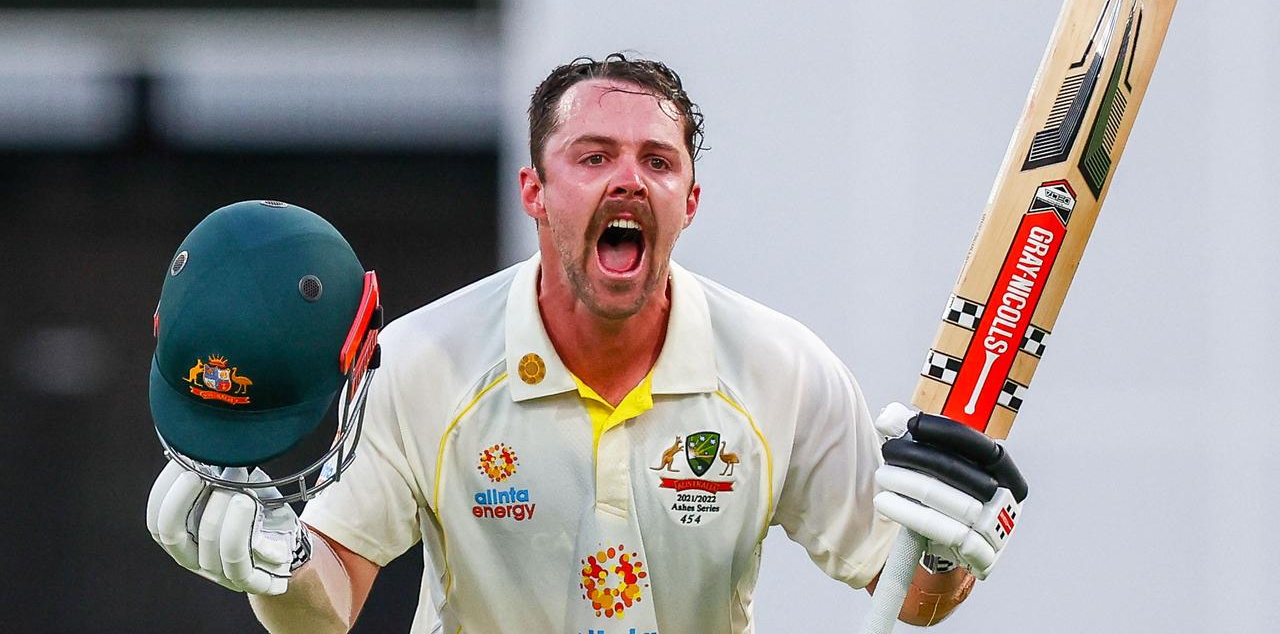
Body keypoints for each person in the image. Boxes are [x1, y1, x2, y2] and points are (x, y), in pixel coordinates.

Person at [148, 54, 1028, 633]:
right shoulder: (423, 361)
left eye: (657, 160)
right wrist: (277, 572)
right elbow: (329, 599)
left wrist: (945, 552)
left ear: (691, 199)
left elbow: (906, 594)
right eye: (594, 156)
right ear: (535, 190)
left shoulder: (780, 370)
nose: (629, 179)